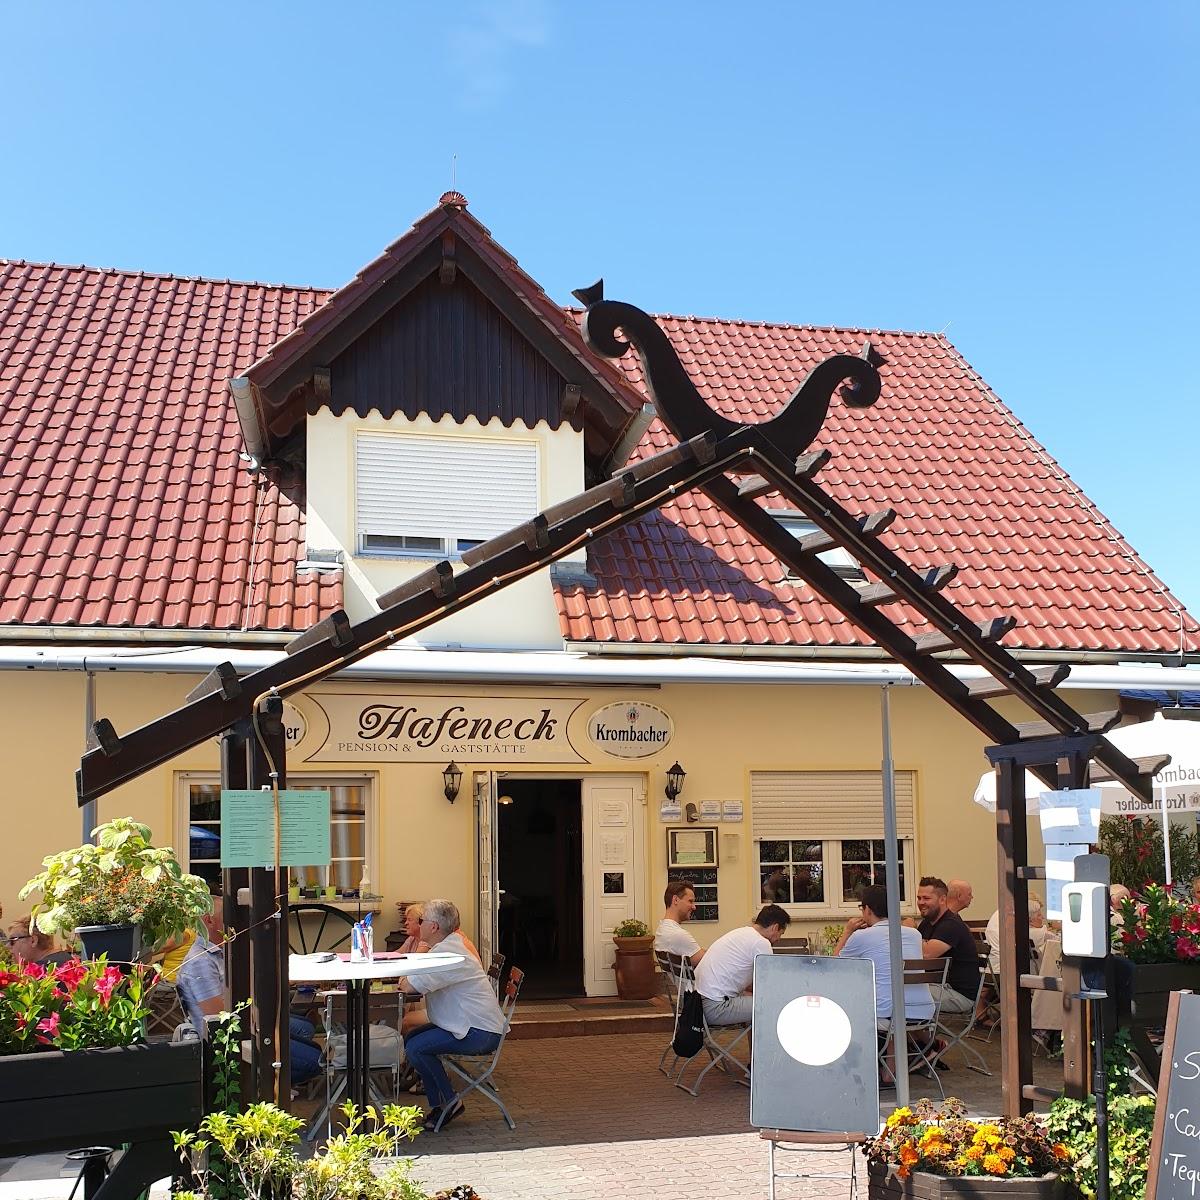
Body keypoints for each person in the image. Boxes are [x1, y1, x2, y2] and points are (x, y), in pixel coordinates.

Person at [175, 895, 321, 1086]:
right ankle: (266, 1084)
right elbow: (219, 1016)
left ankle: (279, 1074)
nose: (234, 923)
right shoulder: (200, 962)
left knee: (308, 1035)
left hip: (248, 1022)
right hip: (231, 1037)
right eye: (228, 917)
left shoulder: (220, 951)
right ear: (209, 921)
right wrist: (259, 1013)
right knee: (316, 1061)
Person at [398, 898, 506, 1132]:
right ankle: (441, 1102)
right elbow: (410, 981)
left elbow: (408, 986)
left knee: (416, 1048)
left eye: (421, 920)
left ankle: (449, 1102)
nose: (419, 924)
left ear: (434, 926)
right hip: (467, 1024)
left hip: (479, 1032)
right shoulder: (446, 947)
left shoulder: (447, 955)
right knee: (412, 1039)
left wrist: (406, 977)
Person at [837, 885, 935, 1083]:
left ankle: (852, 1067)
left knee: (849, 1005)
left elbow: (836, 964)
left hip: (887, 1013)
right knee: (890, 998)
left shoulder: (861, 936)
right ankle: (889, 1071)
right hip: (923, 1010)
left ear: (867, 909)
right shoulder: (914, 934)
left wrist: (847, 931)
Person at [693, 904, 790, 1027]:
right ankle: (766, 1040)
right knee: (774, 1005)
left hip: (697, 1002)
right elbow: (768, 986)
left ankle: (754, 1040)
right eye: (781, 933)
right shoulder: (761, 943)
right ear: (775, 927)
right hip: (715, 1007)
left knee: (754, 998)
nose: (779, 939)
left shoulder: (742, 933)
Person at [916, 877, 980, 1014]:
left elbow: (925, 954)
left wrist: (909, 932)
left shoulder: (951, 924)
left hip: (957, 994)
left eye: (926, 898)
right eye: (919, 898)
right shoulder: (927, 922)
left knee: (902, 993)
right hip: (936, 986)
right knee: (897, 989)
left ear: (942, 899)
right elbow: (915, 949)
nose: (921, 902)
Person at [654, 880, 706, 964]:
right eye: (690, 901)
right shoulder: (677, 935)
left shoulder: (662, 929)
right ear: (675, 900)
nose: (694, 907)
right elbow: (708, 961)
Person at [6, 915, 74, 967]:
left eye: (12, 940)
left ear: (33, 941)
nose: (7, 946)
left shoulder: (42, 971)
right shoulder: (66, 959)